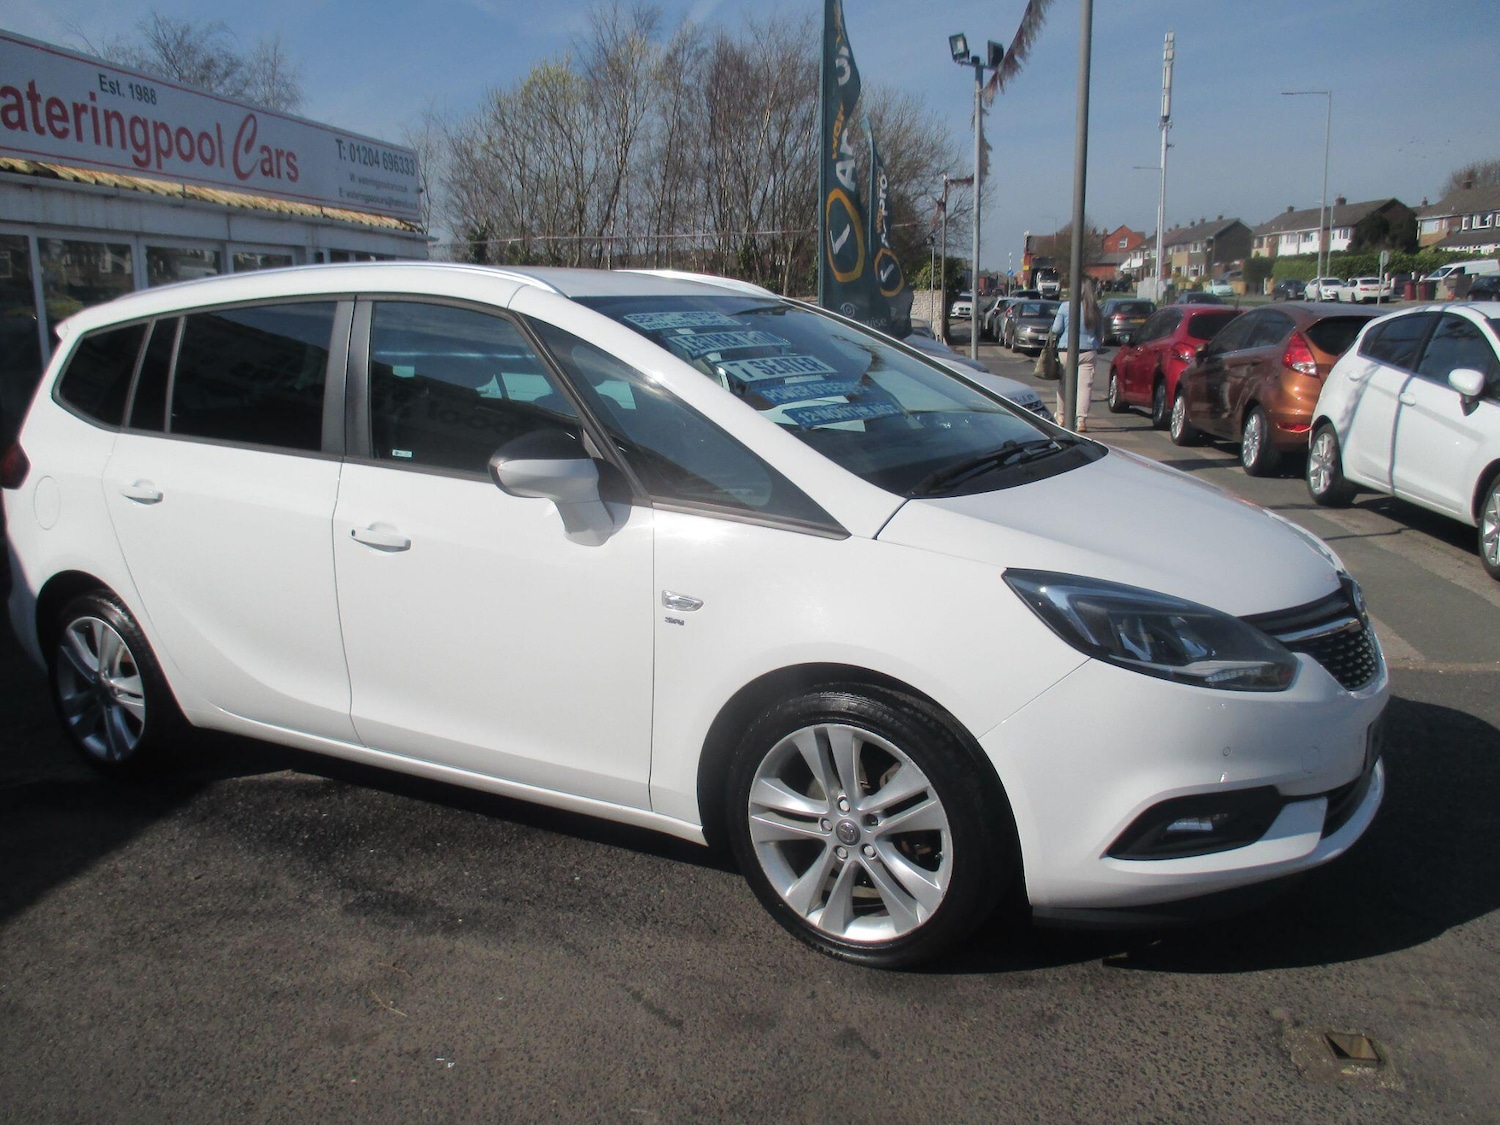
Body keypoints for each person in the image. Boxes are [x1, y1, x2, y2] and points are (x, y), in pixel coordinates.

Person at [1050, 279, 1101, 432]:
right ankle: (1081, 420)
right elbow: (1101, 333)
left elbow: (1056, 328)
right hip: (1088, 351)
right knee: (1085, 387)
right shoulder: (1094, 309)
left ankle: (1061, 416)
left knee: (1064, 384)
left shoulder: (1065, 307)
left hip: (1066, 350)